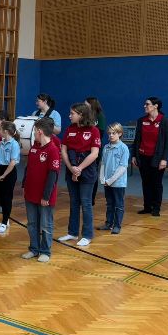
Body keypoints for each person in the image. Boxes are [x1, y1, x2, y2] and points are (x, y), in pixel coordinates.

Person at [58, 103, 101, 247]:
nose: (69, 116)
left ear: (81, 115)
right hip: (71, 168)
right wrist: (71, 168)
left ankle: (87, 235)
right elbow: (63, 150)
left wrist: (80, 168)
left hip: (87, 171)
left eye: (72, 113)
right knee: (74, 202)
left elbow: (94, 154)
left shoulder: (94, 130)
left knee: (86, 202)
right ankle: (72, 232)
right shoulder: (69, 129)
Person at [21, 117, 61, 263]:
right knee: (32, 224)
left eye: (34, 131)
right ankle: (34, 249)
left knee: (45, 224)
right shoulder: (34, 148)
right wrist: (24, 185)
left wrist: (46, 196)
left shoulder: (53, 150)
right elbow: (28, 169)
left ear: (39, 131)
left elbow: (53, 175)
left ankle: (45, 251)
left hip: (44, 197)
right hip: (30, 194)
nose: (33, 133)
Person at [131, 97, 168, 217]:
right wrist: (134, 155)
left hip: (157, 158)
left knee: (156, 183)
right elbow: (137, 140)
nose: (144, 106)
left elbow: (167, 143)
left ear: (155, 106)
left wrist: (164, 159)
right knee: (146, 182)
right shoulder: (141, 121)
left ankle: (156, 208)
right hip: (143, 157)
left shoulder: (164, 121)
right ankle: (147, 207)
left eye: (147, 104)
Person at [99, 123, 129, 234]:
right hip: (107, 182)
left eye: (114, 133)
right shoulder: (106, 147)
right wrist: (102, 177)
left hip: (118, 183)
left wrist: (110, 180)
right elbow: (103, 163)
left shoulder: (123, 148)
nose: (111, 135)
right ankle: (108, 223)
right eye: (109, 133)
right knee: (109, 203)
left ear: (120, 134)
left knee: (118, 204)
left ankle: (117, 226)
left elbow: (122, 167)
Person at [0, 120, 21, 234]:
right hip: (0, 170)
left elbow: (12, 162)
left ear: (5, 131)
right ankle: (5, 219)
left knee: (7, 198)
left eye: (0, 130)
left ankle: (5, 222)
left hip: (9, 172)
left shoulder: (14, 144)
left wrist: (3, 175)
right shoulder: (1, 143)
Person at [85, 96, 106, 206]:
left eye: (86, 104)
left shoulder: (100, 116)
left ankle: (91, 197)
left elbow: (100, 133)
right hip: (84, 148)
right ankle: (84, 196)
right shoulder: (84, 115)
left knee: (92, 173)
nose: (84, 106)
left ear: (91, 105)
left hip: (94, 148)